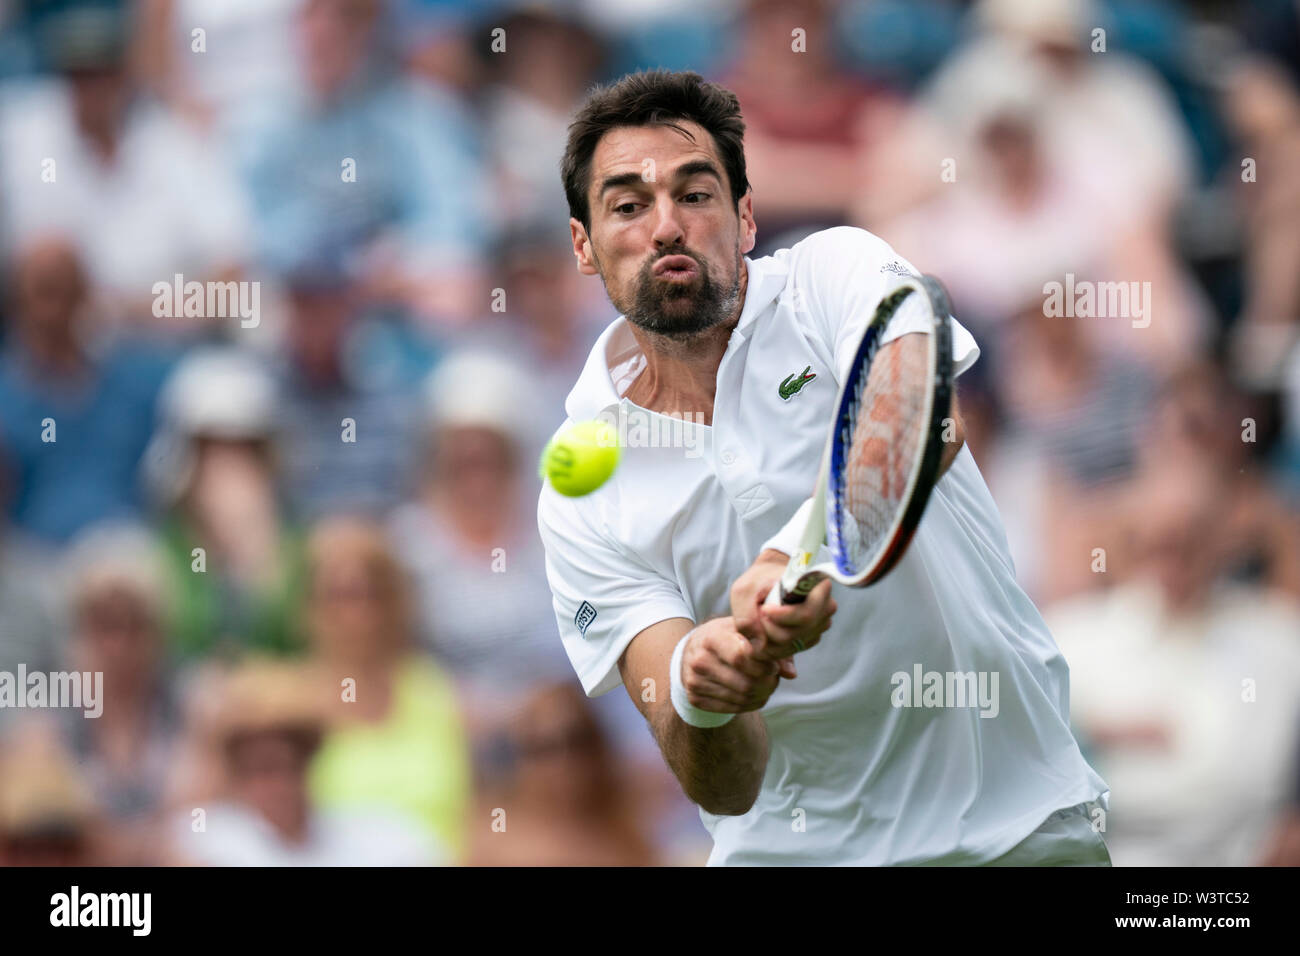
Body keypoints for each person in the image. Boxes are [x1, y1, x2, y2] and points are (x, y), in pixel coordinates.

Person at [537, 70, 1109, 865]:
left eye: (696, 195)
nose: (665, 226)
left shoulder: (831, 275)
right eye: (627, 205)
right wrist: (706, 689)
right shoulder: (578, 498)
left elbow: (924, 420)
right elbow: (725, 785)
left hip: (1018, 829)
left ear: (743, 218)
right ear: (583, 245)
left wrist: (792, 560)